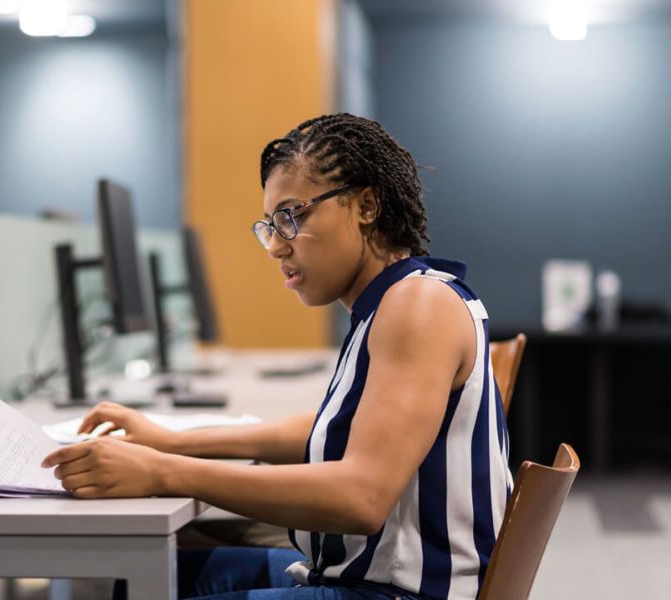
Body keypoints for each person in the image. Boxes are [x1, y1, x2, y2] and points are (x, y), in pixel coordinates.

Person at [42, 113, 512, 600]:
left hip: (394, 592)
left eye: (293, 216)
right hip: (361, 575)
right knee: (113, 576)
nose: (273, 245)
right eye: (270, 224)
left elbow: (361, 497)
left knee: (104, 582)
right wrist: (171, 442)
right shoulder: (398, 299)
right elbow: (336, 428)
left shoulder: (418, 306)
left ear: (367, 205)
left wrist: (161, 470)